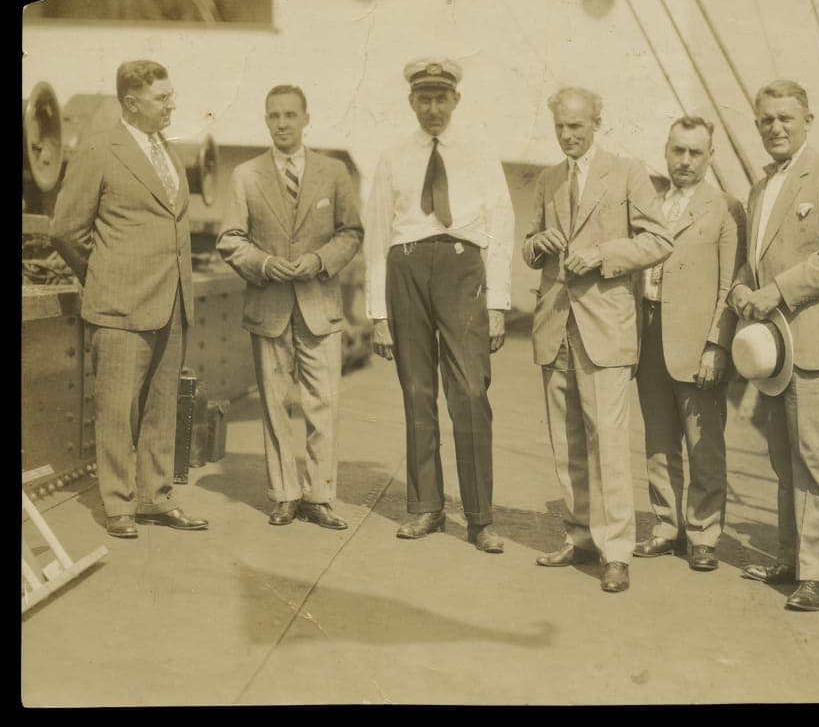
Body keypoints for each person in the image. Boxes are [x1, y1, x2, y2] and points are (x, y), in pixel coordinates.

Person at [729, 79, 819, 611]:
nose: (776, 127)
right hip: (778, 352)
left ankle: (817, 573)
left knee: (818, 460)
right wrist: (741, 288)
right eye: (766, 119)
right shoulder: (759, 188)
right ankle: (790, 557)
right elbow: (753, 262)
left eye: (786, 118)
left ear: (807, 120)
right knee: (784, 458)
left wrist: (774, 291)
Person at [51, 59, 208, 539]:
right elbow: (65, 230)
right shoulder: (99, 150)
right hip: (120, 306)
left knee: (162, 408)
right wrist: (104, 276)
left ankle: (154, 498)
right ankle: (119, 504)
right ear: (131, 101)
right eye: (162, 98)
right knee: (117, 411)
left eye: (170, 95)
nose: (172, 105)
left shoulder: (168, 151)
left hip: (171, 303)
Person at [526, 86, 673, 593]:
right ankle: (580, 536)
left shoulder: (627, 172)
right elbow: (528, 245)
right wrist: (537, 243)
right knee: (566, 440)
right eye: (560, 127)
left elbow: (659, 239)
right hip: (555, 326)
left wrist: (603, 254)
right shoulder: (547, 179)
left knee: (607, 442)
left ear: (596, 123)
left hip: (606, 329)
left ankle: (616, 552)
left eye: (576, 126)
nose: (567, 135)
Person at [363, 58, 514, 553]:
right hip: (406, 268)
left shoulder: (479, 152)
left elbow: (502, 225)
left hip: (462, 269)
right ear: (411, 102)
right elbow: (377, 233)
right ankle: (426, 506)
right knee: (417, 391)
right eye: (424, 99)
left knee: (469, 391)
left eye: (441, 99)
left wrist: (498, 302)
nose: (433, 108)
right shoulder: (393, 156)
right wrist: (378, 314)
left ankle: (480, 518)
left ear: (456, 100)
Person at [217, 85, 363, 530]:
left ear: (305, 119)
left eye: (290, 115)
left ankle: (319, 496)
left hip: (320, 306)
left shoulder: (333, 172)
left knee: (324, 405)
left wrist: (318, 261)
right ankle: (284, 494)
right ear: (266, 120)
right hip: (270, 306)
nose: (282, 123)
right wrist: (263, 264)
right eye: (274, 115)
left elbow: (351, 232)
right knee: (275, 404)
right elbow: (230, 239)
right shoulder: (246, 175)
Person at [634, 116, 746, 572]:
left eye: (695, 152)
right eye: (677, 150)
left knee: (704, 444)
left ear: (710, 157)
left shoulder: (726, 208)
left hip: (698, 342)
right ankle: (666, 526)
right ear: (666, 151)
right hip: (649, 334)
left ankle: (703, 533)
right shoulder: (650, 204)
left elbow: (730, 283)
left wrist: (717, 345)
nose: (685, 160)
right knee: (659, 440)